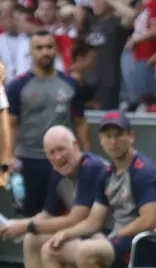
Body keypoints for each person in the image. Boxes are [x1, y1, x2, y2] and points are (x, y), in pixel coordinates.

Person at [34, 111, 156, 268]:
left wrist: (115, 236)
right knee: (51, 248)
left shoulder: (142, 170)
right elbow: (94, 220)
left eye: (119, 136)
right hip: (120, 241)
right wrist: (66, 233)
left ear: (131, 137)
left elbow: (149, 220)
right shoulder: (106, 173)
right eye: (108, 137)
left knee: (88, 251)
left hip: (145, 244)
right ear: (101, 141)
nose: (113, 142)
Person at [0, 126, 108, 268]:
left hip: (104, 235)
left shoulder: (92, 167)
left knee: (51, 247)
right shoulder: (57, 174)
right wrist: (12, 224)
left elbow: (77, 218)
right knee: (32, 239)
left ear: (75, 146)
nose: (58, 157)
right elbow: (46, 215)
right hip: (83, 234)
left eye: (62, 149)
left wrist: (25, 226)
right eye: (52, 153)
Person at [3, 30, 90, 217]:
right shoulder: (17, 86)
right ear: (31, 52)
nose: (45, 52)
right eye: (39, 48)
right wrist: (8, 156)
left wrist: (86, 155)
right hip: (29, 160)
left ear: (56, 50)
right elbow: (10, 124)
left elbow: (80, 122)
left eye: (49, 47)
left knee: (67, 214)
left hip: (64, 161)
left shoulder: (70, 84)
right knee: (30, 216)